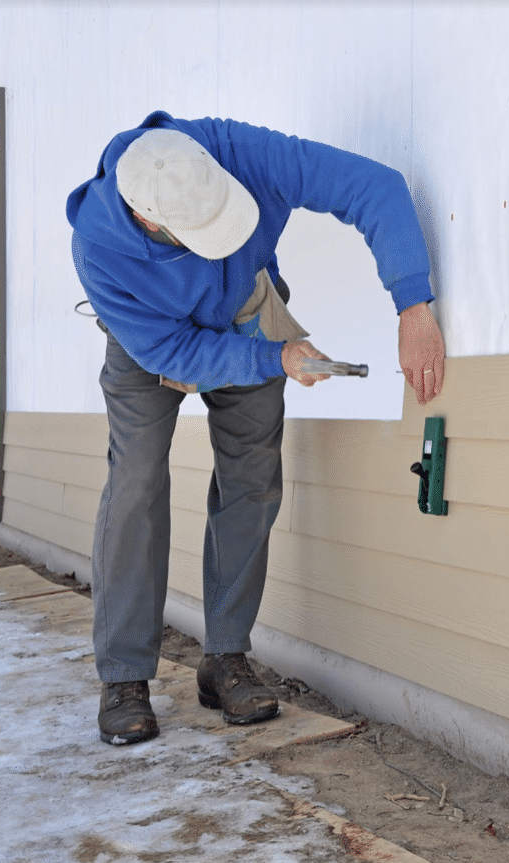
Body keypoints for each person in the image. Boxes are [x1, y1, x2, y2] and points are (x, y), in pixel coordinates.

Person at [66, 111, 445, 745]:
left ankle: (225, 660)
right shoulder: (99, 248)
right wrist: (276, 359)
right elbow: (172, 355)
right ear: (149, 222)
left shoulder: (238, 151)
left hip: (247, 308)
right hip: (150, 343)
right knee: (135, 485)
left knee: (251, 481)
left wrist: (414, 304)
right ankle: (126, 676)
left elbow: (375, 186)